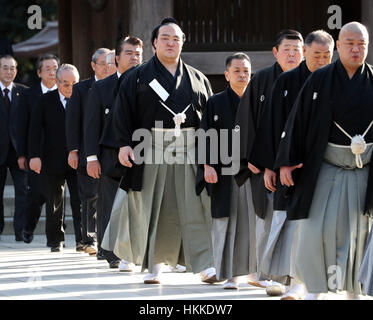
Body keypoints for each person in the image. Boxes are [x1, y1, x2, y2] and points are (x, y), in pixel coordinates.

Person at [105, 18, 215, 284]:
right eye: (165, 38)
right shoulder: (136, 76)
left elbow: (210, 119)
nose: (171, 43)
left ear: (182, 43)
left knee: (195, 205)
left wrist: (211, 158)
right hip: (150, 146)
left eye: (176, 38)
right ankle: (154, 265)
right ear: (154, 43)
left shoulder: (197, 78)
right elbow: (122, 114)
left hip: (189, 147)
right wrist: (123, 145)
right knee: (153, 206)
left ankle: (204, 264)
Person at [276, 22, 373, 300]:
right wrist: (286, 161)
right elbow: (296, 121)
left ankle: (354, 291)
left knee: (359, 233)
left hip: (363, 170)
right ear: (338, 46)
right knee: (313, 232)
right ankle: (313, 289)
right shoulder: (319, 80)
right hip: (324, 168)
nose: (356, 49)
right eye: (350, 43)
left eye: (361, 44)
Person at [250, 30, 334, 299]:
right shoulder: (286, 81)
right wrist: (270, 166)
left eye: (326, 55)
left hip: (329, 162)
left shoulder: (338, 81)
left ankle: (313, 281)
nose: (321, 60)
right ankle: (291, 280)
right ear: (305, 53)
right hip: (292, 164)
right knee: (292, 224)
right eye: (316, 55)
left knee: (323, 224)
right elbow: (272, 126)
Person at [235, 30, 304, 288]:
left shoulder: (311, 79)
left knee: (295, 221)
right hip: (265, 163)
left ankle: (291, 276)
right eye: (286, 49)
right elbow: (246, 119)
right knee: (266, 220)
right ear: (275, 52)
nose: (292, 54)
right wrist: (251, 158)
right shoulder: (262, 79)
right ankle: (265, 274)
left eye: (296, 49)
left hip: (299, 162)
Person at [197, 53, 256, 290]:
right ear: (227, 74)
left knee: (252, 222)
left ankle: (253, 272)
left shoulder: (258, 101)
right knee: (227, 221)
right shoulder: (216, 102)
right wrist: (207, 165)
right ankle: (230, 274)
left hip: (252, 170)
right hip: (223, 170)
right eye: (237, 70)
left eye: (246, 71)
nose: (242, 75)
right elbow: (204, 134)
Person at [84, 36, 143, 267]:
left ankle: (138, 250)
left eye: (138, 53)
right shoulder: (101, 87)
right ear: (117, 58)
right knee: (110, 205)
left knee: (140, 205)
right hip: (110, 156)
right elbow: (91, 125)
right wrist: (91, 158)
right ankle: (111, 253)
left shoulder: (148, 84)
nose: (134, 57)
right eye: (129, 53)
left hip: (142, 152)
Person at [29, 64, 82, 252]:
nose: (70, 88)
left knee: (80, 201)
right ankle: (55, 240)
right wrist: (34, 156)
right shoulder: (45, 101)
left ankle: (82, 240)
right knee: (53, 202)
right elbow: (34, 130)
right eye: (66, 84)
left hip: (78, 158)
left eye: (74, 83)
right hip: (52, 159)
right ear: (57, 82)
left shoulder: (83, 98)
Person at [65, 48, 111, 255]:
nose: (107, 67)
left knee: (107, 197)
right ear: (93, 65)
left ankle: (107, 240)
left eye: (110, 62)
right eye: (102, 63)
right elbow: (72, 122)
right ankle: (88, 238)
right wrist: (73, 150)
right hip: (86, 150)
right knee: (89, 196)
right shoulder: (82, 88)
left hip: (110, 150)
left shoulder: (116, 85)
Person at [17, 53, 60, 244]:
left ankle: (57, 232)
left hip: (58, 152)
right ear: (39, 73)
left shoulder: (65, 91)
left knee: (55, 194)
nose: (53, 72)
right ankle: (28, 226)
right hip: (36, 152)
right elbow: (22, 125)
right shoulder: (29, 95)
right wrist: (23, 154)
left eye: (55, 68)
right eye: (48, 69)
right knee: (35, 195)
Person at [0, 55, 28, 240]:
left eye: (12, 68)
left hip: (20, 152)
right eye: (5, 68)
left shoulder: (25, 92)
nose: (9, 71)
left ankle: (21, 231)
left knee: (24, 191)